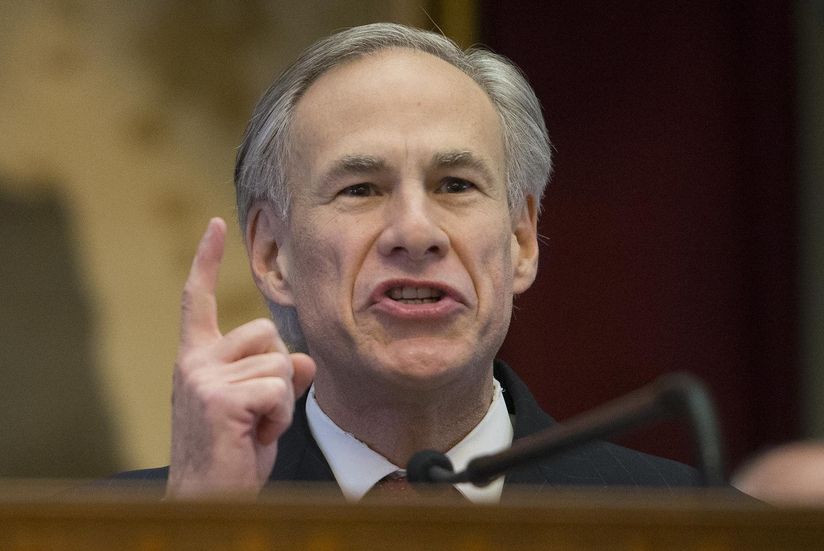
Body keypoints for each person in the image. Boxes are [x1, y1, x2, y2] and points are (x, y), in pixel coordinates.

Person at [114, 22, 697, 501]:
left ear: (522, 238)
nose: (416, 233)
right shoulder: (105, 529)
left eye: (456, 184)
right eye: (362, 189)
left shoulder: (697, 524)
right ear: (272, 253)